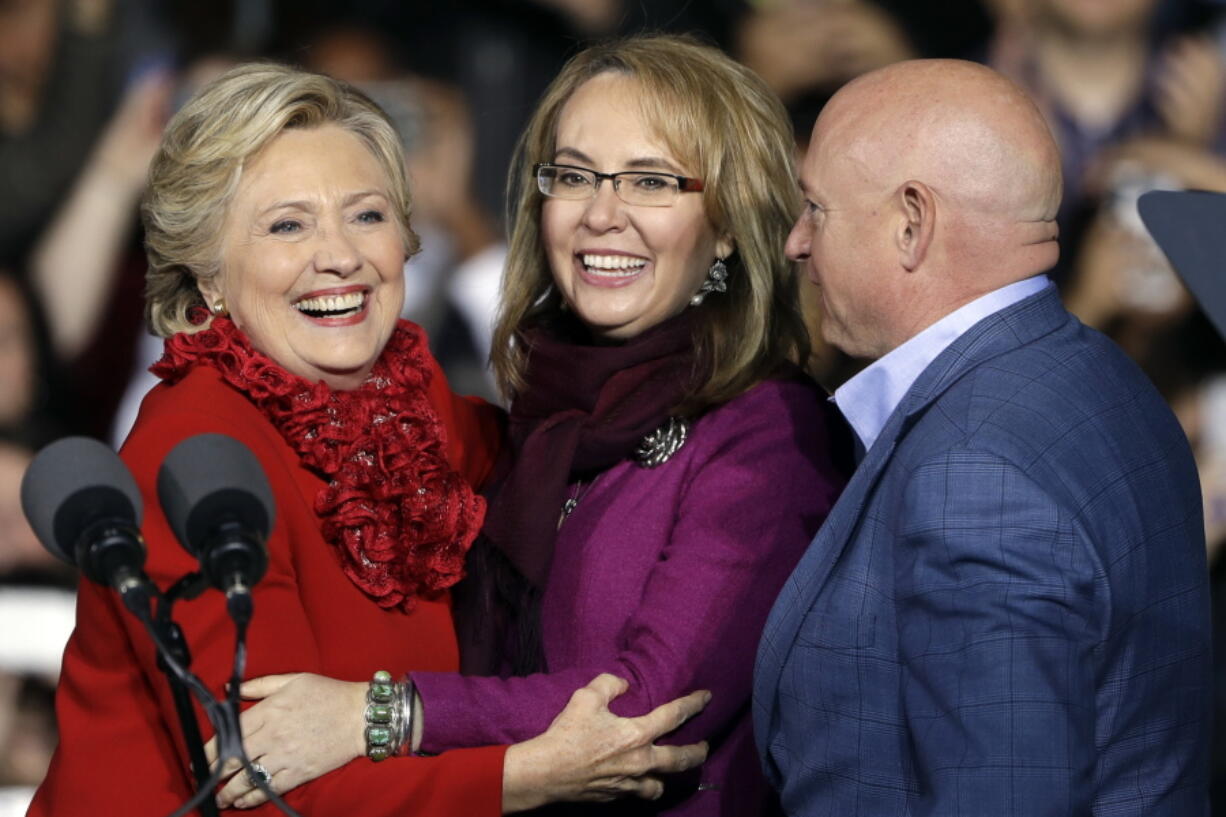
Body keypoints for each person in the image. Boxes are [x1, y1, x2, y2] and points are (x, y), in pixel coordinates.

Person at [27, 63, 712, 817]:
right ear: (209, 274)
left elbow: (579, 443)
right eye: (287, 224)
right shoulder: (195, 452)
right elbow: (260, 784)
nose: (340, 256)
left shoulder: (412, 414)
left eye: (366, 215)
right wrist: (528, 774)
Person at [201, 36, 849, 816]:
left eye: (649, 181)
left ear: (729, 228)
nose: (602, 214)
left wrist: (377, 714)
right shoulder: (541, 419)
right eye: (574, 176)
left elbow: (645, 706)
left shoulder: (768, 430)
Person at [753, 59, 1212, 816]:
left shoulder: (974, 475)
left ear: (911, 222)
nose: (796, 243)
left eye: (817, 209)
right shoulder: (1107, 376)